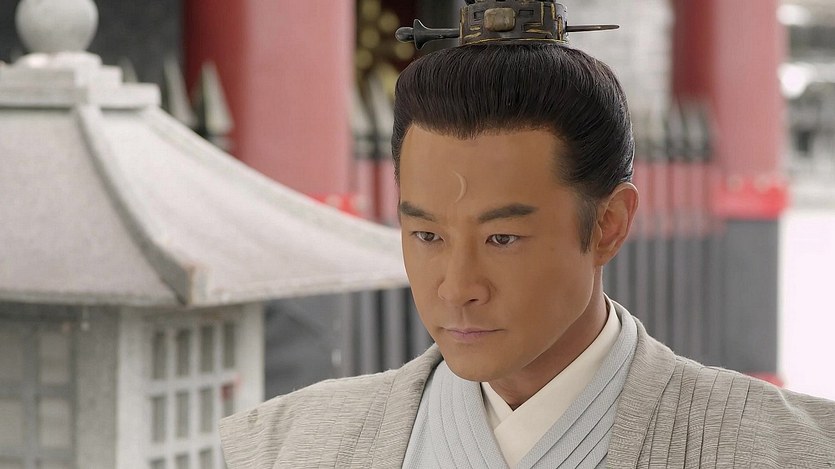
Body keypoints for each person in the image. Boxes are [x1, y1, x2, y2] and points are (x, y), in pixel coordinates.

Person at [219, 2, 835, 467]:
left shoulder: (792, 451)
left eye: (503, 239)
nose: (457, 288)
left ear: (609, 224)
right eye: (427, 235)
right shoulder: (283, 446)